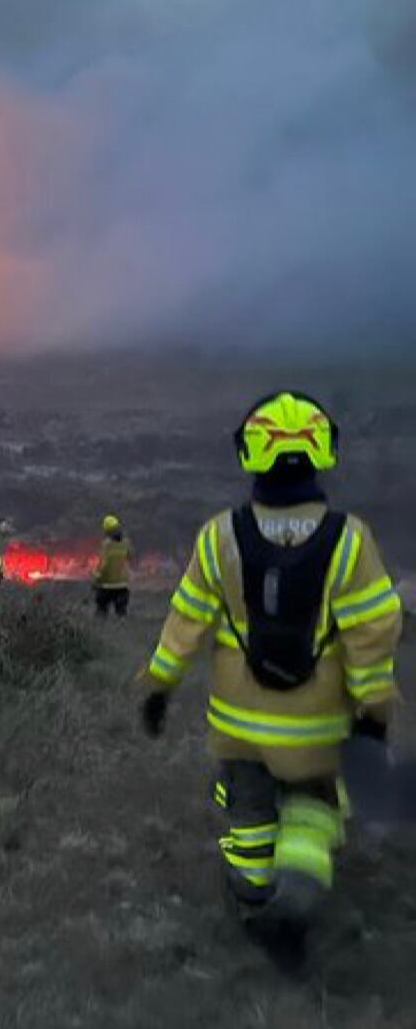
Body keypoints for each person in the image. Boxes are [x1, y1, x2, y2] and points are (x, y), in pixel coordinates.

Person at [138, 391, 402, 958]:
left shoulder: (218, 537)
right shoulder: (350, 541)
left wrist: (160, 685)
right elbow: (374, 635)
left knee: (250, 815)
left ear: (249, 456)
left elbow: (186, 620)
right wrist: (375, 712)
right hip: (315, 725)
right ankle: (297, 899)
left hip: (237, 726)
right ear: (322, 452)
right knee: (312, 809)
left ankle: (252, 897)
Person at [94, 514, 131, 617]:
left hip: (106, 586)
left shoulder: (106, 545)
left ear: (106, 530)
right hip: (123, 586)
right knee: (121, 615)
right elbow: (129, 556)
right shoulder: (126, 543)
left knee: (101, 613)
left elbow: (104, 565)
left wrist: (96, 578)